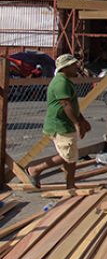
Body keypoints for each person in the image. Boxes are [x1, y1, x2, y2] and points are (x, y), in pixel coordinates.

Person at [27, 54, 91, 188]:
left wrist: (82, 120)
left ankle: (70, 184)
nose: (76, 68)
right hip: (59, 125)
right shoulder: (60, 83)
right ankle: (35, 169)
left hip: (65, 124)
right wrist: (78, 123)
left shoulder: (66, 81)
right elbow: (66, 105)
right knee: (68, 155)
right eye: (73, 65)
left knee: (71, 156)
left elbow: (73, 106)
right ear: (65, 67)